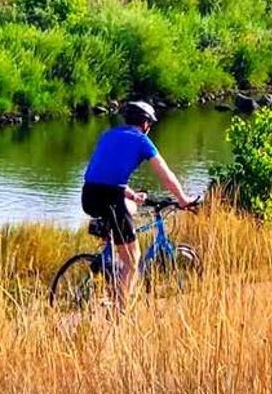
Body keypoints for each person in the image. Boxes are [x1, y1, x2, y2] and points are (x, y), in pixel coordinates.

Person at [80, 101, 193, 304]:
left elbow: (105, 175)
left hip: (88, 195)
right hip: (110, 198)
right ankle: (120, 311)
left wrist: (132, 195)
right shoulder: (142, 141)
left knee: (130, 208)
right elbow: (166, 175)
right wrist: (183, 199)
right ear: (146, 123)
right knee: (133, 259)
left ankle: (110, 264)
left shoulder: (108, 135)